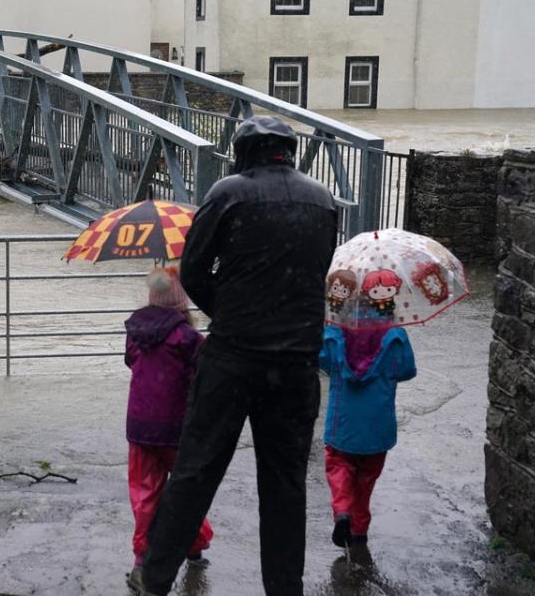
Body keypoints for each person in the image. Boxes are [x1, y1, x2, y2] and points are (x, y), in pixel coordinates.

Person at [129, 115, 338, 596]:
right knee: (285, 483)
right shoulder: (322, 199)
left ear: (244, 152)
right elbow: (317, 268)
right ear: (288, 150)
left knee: (196, 470)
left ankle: (154, 577)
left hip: (234, 357)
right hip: (297, 362)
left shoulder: (226, 193)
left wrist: (235, 313)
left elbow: (195, 272)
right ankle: (285, 587)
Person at [123, 267, 213, 590]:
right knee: (186, 491)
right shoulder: (188, 338)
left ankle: (141, 560)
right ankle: (195, 542)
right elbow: (201, 376)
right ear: (180, 300)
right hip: (177, 430)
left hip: (140, 428)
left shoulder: (136, 329)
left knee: (145, 494)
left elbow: (132, 362)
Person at [319, 320, 416, 548]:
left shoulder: (335, 331)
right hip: (377, 425)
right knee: (365, 481)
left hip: (342, 423)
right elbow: (408, 370)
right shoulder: (396, 335)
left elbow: (322, 361)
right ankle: (359, 533)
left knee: (338, 465)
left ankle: (342, 510)